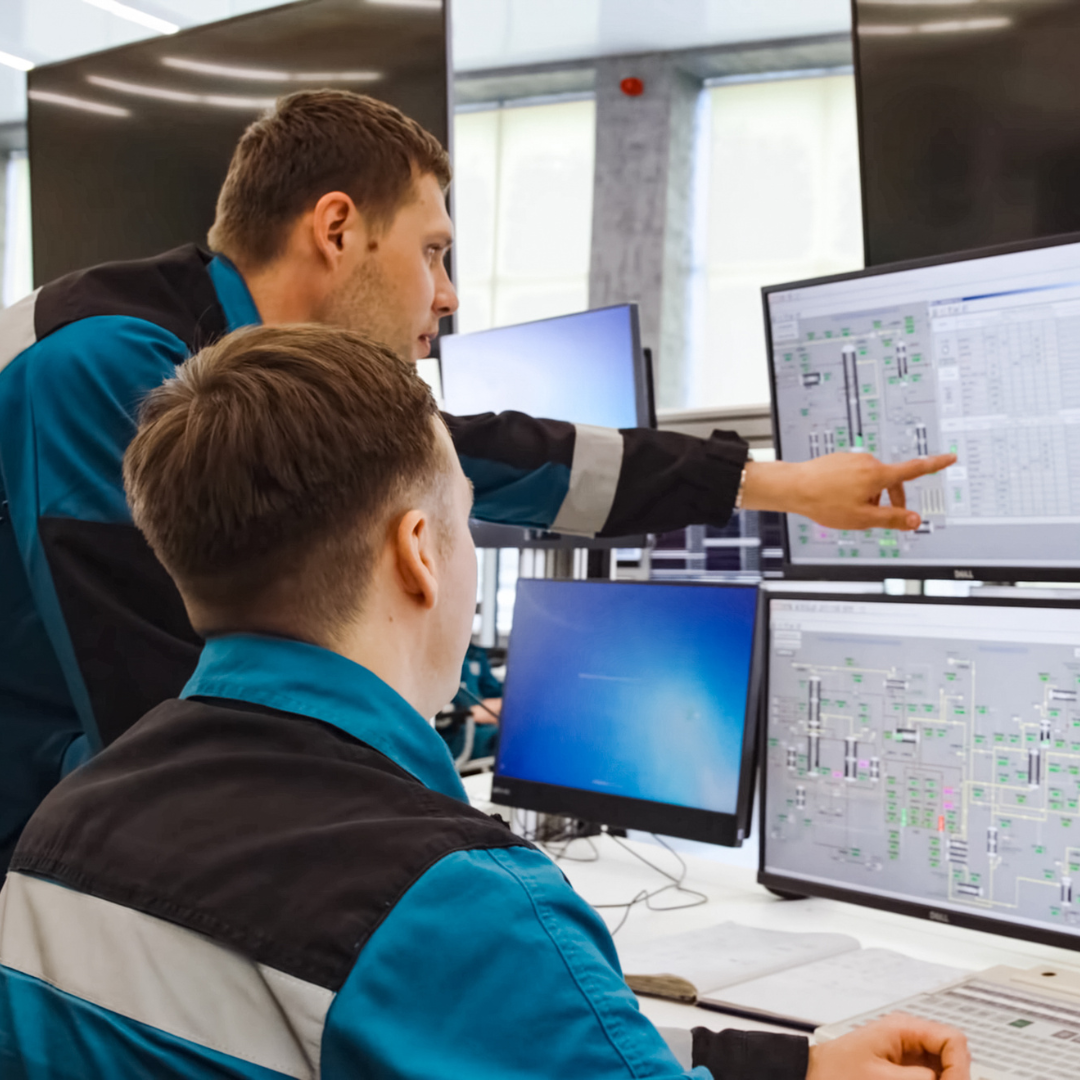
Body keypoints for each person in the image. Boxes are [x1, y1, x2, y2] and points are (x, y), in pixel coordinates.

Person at [0, 89, 956, 872]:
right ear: (337, 229)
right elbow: (168, 740)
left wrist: (781, 486)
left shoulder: (222, 359)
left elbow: (488, 457)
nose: (448, 295)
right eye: (433, 251)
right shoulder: (106, 364)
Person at [0, 325, 969, 1080]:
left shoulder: (66, 826)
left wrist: (789, 1065)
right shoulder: (449, 899)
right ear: (421, 549)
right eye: (468, 518)